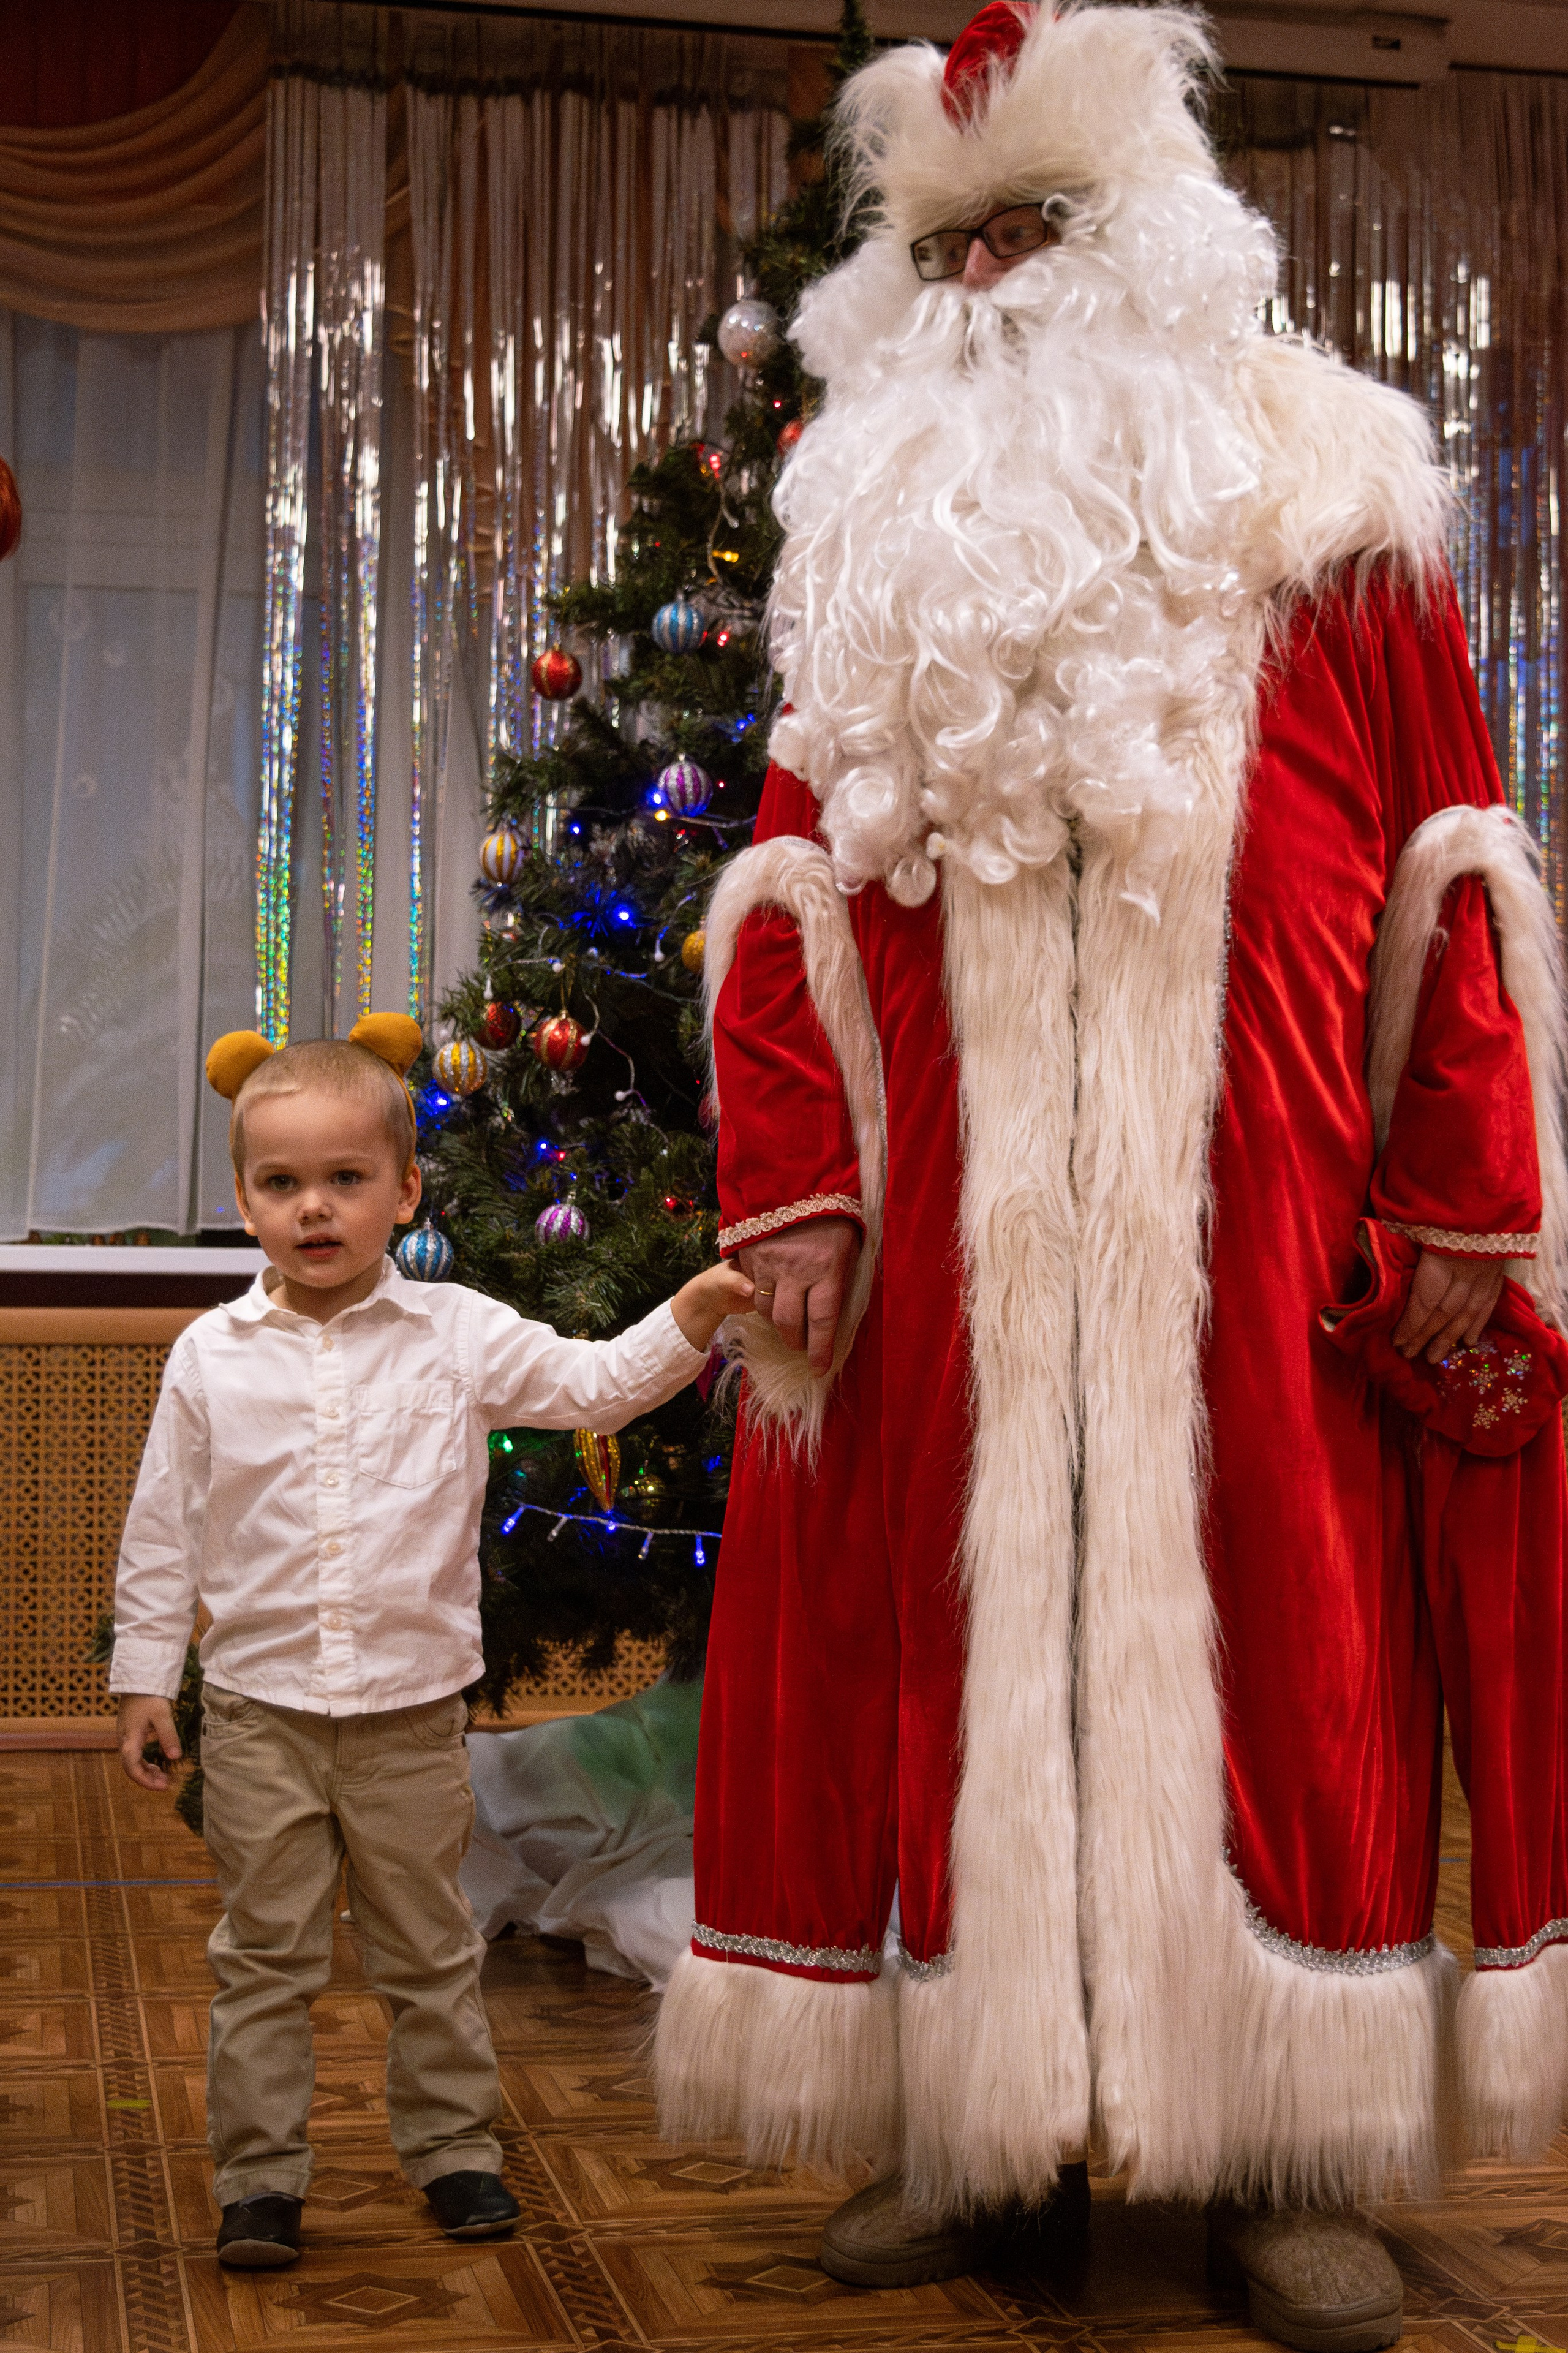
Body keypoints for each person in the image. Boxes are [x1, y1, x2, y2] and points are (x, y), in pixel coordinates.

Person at [654, 6, 1568, 2345]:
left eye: (1035, 233)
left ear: (1152, 237)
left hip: (1264, 1208)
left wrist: (1465, 1171)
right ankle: (975, 2131)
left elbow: (1457, 852)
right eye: (949, 249)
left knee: (1294, 1643)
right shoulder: (867, 522)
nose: (989, 287)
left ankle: (1285, 2143)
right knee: (943, 1656)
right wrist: (794, 1175)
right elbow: (780, 898)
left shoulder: (1325, 492)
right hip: (945, 1226)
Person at [110, 1013, 751, 2272]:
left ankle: (455, 2152)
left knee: (429, 1948)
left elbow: (588, 1384)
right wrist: (145, 1677)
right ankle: (259, 2178)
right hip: (258, 1715)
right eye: (282, 1183)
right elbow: (162, 1529)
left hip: (410, 1719)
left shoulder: (458, 1333)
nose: (314, 1208)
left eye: (345, 1179)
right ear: (244, 1201)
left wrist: (689, 1316)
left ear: (403, 1191)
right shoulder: (209, 1360)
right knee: (264, 1956)